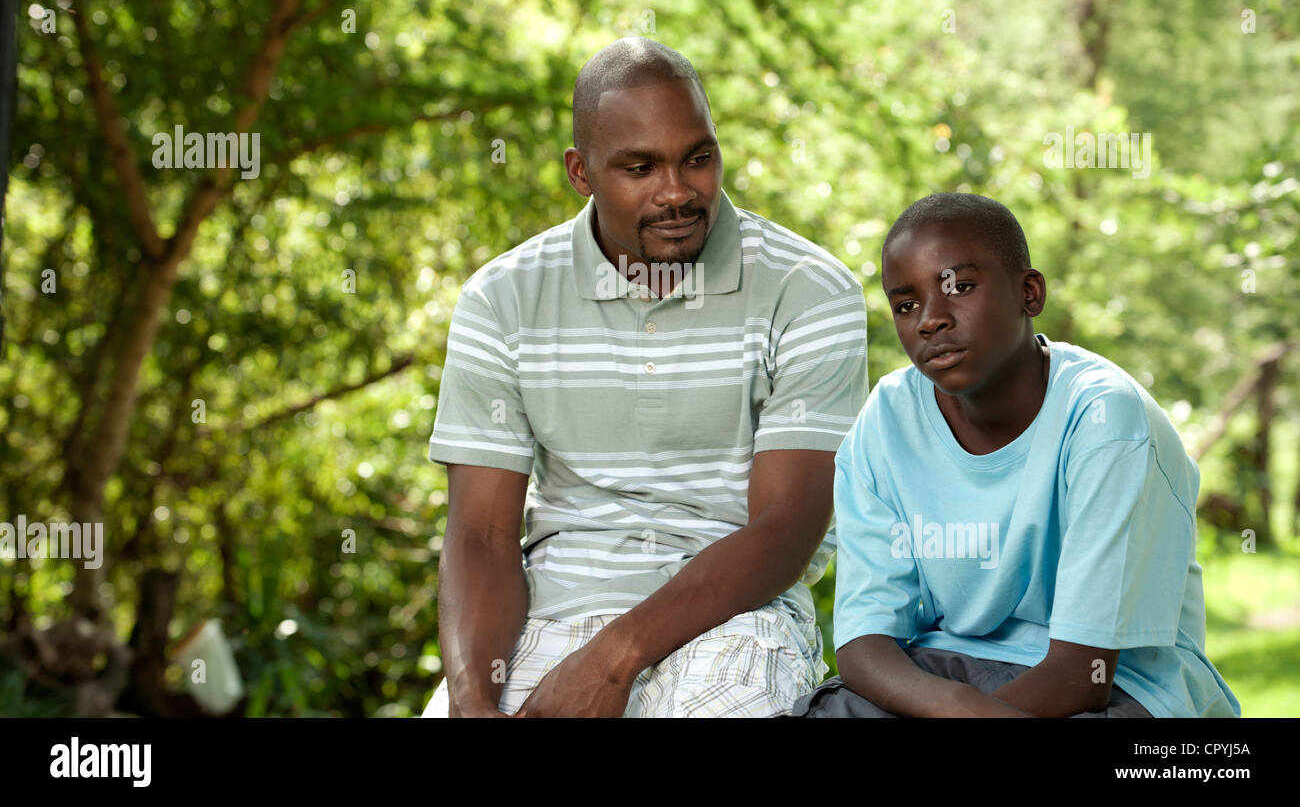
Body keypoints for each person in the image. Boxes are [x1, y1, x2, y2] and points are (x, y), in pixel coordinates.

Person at [422, 37, 868, 717]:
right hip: (544, 616)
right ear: (581, 172)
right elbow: (480, 536)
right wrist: (471, 701)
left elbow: (788, 526)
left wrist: (613, 659)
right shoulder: (502, 299)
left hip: (737, 619)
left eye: (699, 158)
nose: (678, 192)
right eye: (640, 167)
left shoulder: (807, 290)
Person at [791, 193, 1240, 717]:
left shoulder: (1105, 420)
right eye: (906, 305)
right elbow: (865, 644)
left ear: (1029, 292)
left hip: (1116, 687)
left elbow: (1084, 674)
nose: (930, 321)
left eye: (958, 287)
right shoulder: (887, 419)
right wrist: (958, 707)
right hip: (946, 674)